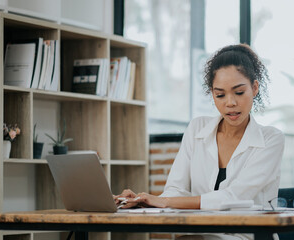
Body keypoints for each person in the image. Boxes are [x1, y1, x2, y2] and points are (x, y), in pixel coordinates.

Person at [115, 44, 284, 239]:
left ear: (254, 88)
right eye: (220, 94)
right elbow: (175, 189)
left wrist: (165, 201)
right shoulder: (197, 129)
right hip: (199, 234)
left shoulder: (271, 139)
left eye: (238, 92)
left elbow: (233, 197)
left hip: (248, 236)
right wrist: (143, 200)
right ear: (212, 93)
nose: (230, 103)